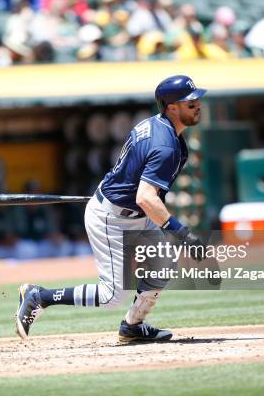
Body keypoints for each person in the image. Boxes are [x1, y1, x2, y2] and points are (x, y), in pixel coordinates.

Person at [15, 75, 207, 342]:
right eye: (190, 102)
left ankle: (133, 326)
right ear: (172, 107)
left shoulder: (156, 127)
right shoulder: (165, 144)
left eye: (197, 100)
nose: (198, 105)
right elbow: (146, 198)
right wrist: (183, 234)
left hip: (133, 211)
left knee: (163, 265)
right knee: (111, 296)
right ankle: (39, 296)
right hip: (113, 218)